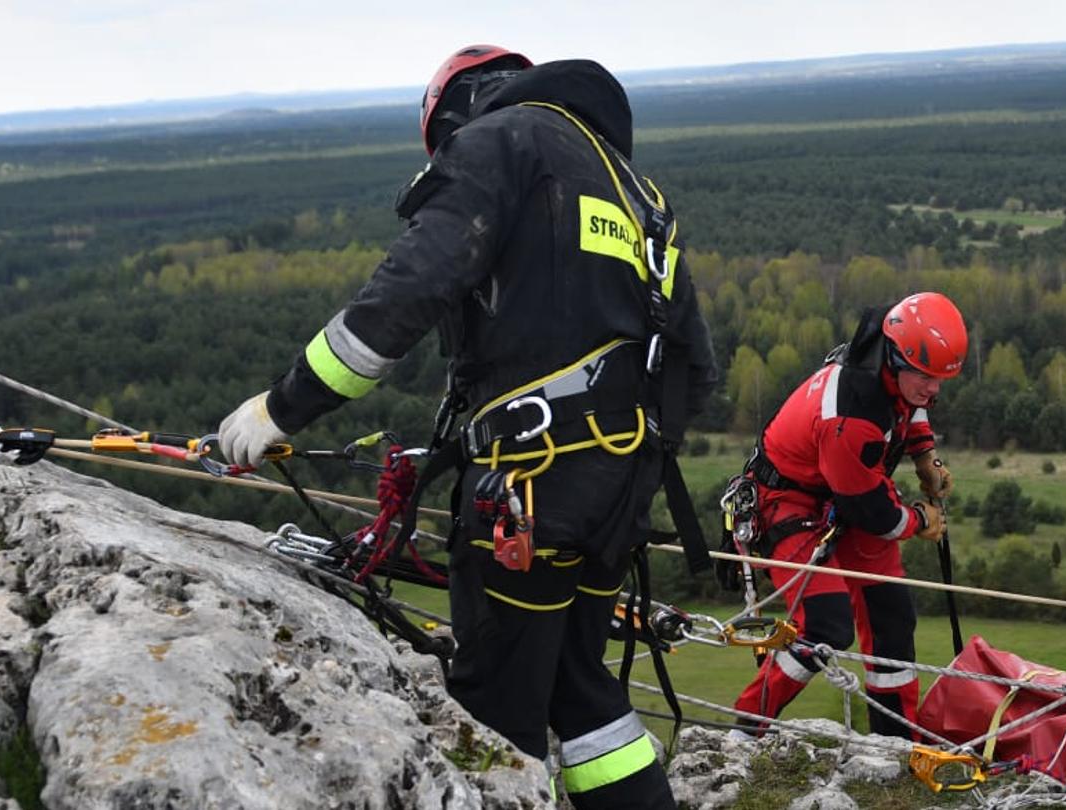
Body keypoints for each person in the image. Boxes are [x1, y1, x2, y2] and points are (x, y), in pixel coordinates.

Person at [214, 45, 719, 809]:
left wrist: (282, 407)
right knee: (582, 688)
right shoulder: (636, 192)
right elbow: (697, 366)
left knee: (497, 702)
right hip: (620, 487)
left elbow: (410, 290)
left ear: (455, 110)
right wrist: (613, 459)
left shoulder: (500, 141)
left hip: (532, 488)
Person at [730, 292, 964, 739]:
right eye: (926, 376)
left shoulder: (888, 361)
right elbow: (874, 513)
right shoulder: (852, 415)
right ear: (896, 357)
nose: (934, 389)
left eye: (941, 379)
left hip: (841, 490)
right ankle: (747, 728)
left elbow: (908, 404)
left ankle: (894, 741)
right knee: (826, 625)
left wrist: (924, 455)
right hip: (787, 502)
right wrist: (920, 519)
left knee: (890, 615)